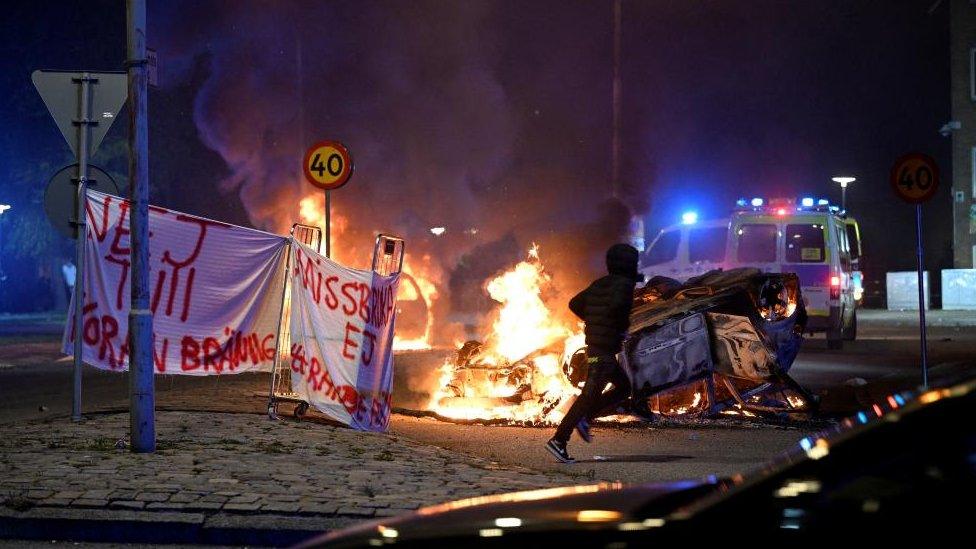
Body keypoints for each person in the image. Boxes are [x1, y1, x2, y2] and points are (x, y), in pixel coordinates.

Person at [546, 243, 642, 463]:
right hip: (604, 351)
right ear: (629, 263)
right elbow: (618, 306)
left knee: (624, 387)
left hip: (598, 347)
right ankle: (559, 440)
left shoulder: (601, 283)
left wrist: (594, 321)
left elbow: (575, 303)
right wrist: (618, 327)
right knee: (587, 397)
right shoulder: (625, 285)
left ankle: (585, 417)